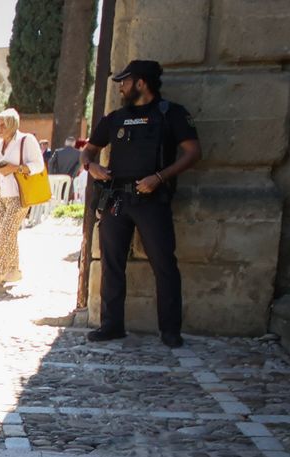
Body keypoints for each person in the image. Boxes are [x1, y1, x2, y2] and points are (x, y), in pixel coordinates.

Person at [83, 59, 202, 347]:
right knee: (112, 263)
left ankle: (170, 330)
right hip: (116, 198)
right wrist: (92, 167)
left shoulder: (171, 114)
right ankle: (111, 325)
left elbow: (193, 152)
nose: (121, 87)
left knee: (164, 264)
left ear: (140, 83)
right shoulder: (114, 119)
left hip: (151, 199)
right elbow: (88, 151)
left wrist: (160, 177)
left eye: (124, 81)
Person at [0, 108, 46, 287]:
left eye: (3, 124)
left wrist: (15, 168)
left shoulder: (26, 140)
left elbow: (38, 165)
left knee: (6, 232)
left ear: (13, 124)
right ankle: (13, 270)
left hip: (18, 194)